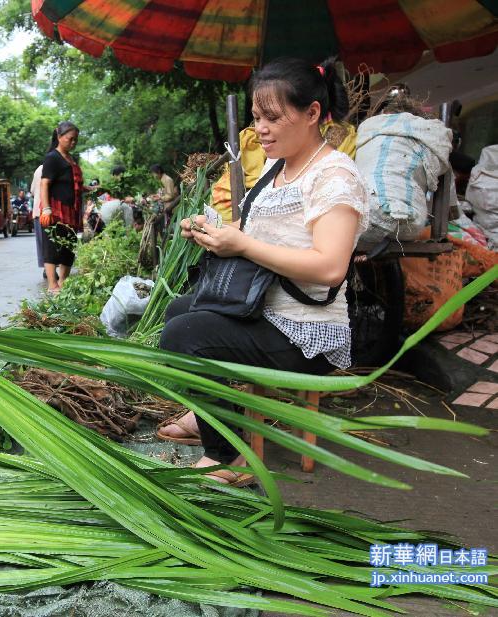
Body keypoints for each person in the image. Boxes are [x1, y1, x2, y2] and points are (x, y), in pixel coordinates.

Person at [157, 57, 368, 485]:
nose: (260, 129)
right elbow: (253, 229)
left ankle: (232, 459)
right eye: (256, 117)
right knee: (179, 311)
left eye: (272, 117)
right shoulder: (279, 167)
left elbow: (330, 267)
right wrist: (212, 230)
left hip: (303, 332)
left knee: (183, 337)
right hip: (263, 308)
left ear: (312, 113)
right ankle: (209, 416)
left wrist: (243, 244)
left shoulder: (334, 177)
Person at [39, 121, 84, 293]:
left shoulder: (72, 159)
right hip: (55, 212)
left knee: (68, 248)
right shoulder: (52, 158)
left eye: (75, 140)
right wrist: (46, 209)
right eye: (70, 139)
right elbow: (45, 184)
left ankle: (63, 283)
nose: (73, 143)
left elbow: (72, 184)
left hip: (71, 212)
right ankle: (52, 285)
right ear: (59, 137)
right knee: (52, 246)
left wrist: (91, 190)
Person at [30, 165, 45, 277]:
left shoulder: (38, 169)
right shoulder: (54, 167)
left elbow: (32, 191)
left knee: (42, 243)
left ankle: (47, 269)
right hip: (48, 211)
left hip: (37, 212)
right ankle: (51, 270)